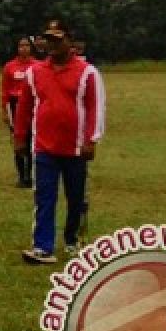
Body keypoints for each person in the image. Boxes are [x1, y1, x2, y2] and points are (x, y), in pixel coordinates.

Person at [18, 21, 105, 265]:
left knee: (76, 197)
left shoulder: (87, 73)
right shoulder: (35, 72)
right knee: (44, 197)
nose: (52, 45)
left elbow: (95, 107)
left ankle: (72, 240)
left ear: (70, 41)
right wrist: (20, 138)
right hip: (44, 146)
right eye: (49, 39)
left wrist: (91, 140)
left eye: (58, 39)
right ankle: (43, 246)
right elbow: (25, 107)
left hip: (75, 148)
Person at [1, 36, 37, 188]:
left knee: (32, 142)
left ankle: (31, 175)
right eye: (21, 45)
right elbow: (5, 90)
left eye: (27, 45)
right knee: (18, 141)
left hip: (32, 105)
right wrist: (4, 110)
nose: (24, 48)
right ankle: (22, 176)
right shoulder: (10, 66)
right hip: (15, 105)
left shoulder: (37, 66)